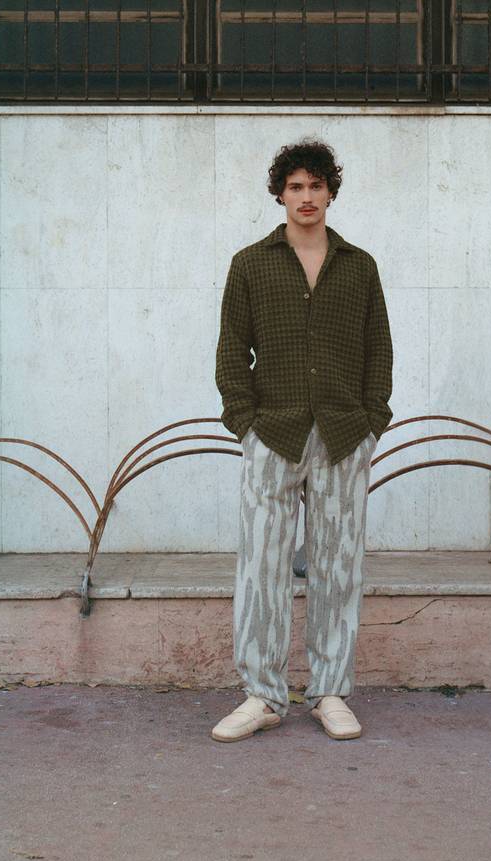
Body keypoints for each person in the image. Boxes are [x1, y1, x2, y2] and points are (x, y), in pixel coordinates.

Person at [210, 140, 394, 743]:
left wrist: (372, 421)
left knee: (337, 566)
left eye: (316, 186)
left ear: (331, 192)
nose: (307, 197)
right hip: (274, 434)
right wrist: (245, 423)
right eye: (296, 187)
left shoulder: (359, 266)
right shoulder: (250, 264)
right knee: (260, 565)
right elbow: (232, 351)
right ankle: (261, 694)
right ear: (280, 194)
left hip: (344, 434)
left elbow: (379, 352)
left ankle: (330, 691)